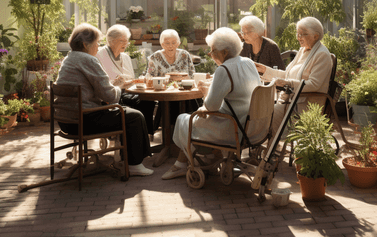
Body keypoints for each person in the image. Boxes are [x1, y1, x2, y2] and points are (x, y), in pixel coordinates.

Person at [162, 27, 261, 180]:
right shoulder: (248, 62)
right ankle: (210, 158)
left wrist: (205, 93)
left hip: (232, 129)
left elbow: (211, 106)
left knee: (183, 119)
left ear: (225, 52)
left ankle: (181, 165)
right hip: (252, 127)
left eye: (213, 51)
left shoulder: (224, 69)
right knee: (194, 119)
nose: (211, 55)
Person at [56, 23, 153, 176]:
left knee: (128, 111)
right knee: (134, 116)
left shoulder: (69, 58)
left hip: (66, 121)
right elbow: (111, 96)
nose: (98, 47)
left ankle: (129, 158)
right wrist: (119, 86)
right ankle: (135, 165)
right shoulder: (88, 59)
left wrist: (111, 86)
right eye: (97, 43)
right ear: (85, 44)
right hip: (83, 120)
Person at [254, 17, 333, 138]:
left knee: (267, 114)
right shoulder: (303, 50)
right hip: (292, 100)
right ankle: (268, 150)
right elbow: (287, 74)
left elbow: (314, 84)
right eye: (298, 33)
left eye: (302, 34)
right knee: (261, 111)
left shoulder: (322, 54)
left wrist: (288, 83)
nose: (298, 37)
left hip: (306, 104)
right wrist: (265, 70)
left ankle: (270, 151)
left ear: (316, 36)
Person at [97, 24, 157, 136]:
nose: (125, 43)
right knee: (140, 102)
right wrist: (118, 83)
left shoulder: (125, 57)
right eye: (122, 40)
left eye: (127, 40)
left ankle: (146, 136)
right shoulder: (99, 55)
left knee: (148, 100)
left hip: (127, 92)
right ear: (110, 40)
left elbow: (131, 80)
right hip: (112, 96)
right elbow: (101, 84)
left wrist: (137, 81)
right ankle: (136, 136)